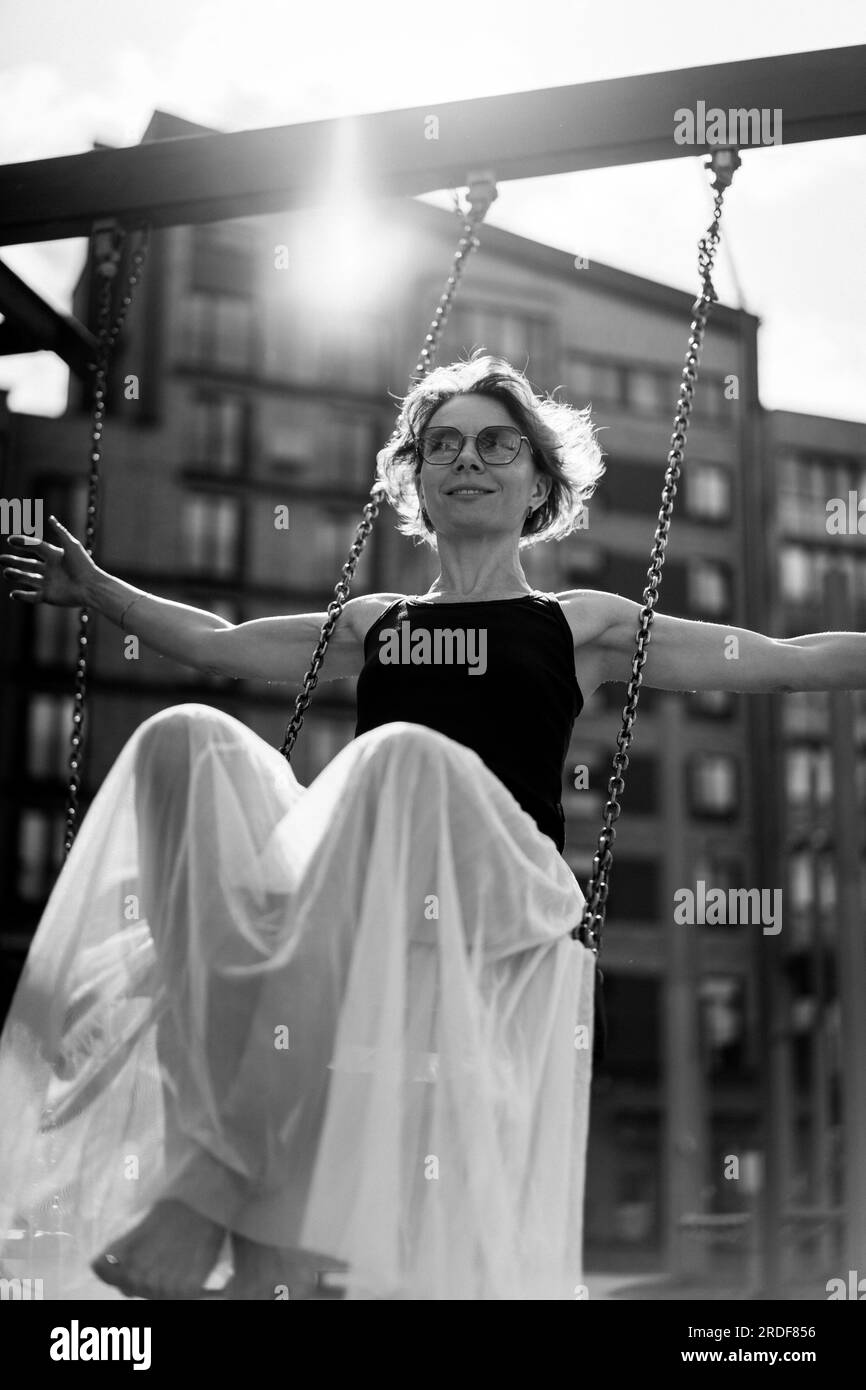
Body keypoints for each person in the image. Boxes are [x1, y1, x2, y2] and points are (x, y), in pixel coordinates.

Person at [1, 352, 864, 1301]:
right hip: (371, 901)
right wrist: (98, 593)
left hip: (503, 906)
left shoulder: (578, 622)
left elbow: (779, 657)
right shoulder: (378, 622)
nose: (468, 459)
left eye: (498, 443)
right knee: (182, 743)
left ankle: (216, 1188)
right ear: (416, 476)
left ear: (539, 478)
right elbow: (213, 644)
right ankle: (261, 1227)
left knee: (399, 758)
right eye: (442, 444)